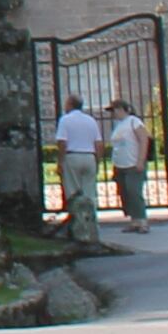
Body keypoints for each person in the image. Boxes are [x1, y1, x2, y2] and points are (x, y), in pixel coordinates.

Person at [52, 93, 104, 238]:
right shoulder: (91, 120)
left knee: (73, 193)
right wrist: (97, 161)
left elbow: (62, 142)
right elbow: (99, 143)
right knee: (89, 193)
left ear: (70, 105)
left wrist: (60, 161)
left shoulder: (65, 120)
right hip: (89, 156)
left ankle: (77, 225)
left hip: (72, 155)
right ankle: (92, 224)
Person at [108, 102, 152, 228]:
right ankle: (134, 220)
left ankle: (141, 220)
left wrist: (140, 160)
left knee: (134, 191)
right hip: (120, 165)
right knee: (126, 193)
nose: (113, 113)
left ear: (124, 109)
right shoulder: (119, 125)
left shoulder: (134, 121)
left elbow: (144, 139)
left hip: (133, 163)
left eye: (115, 109)